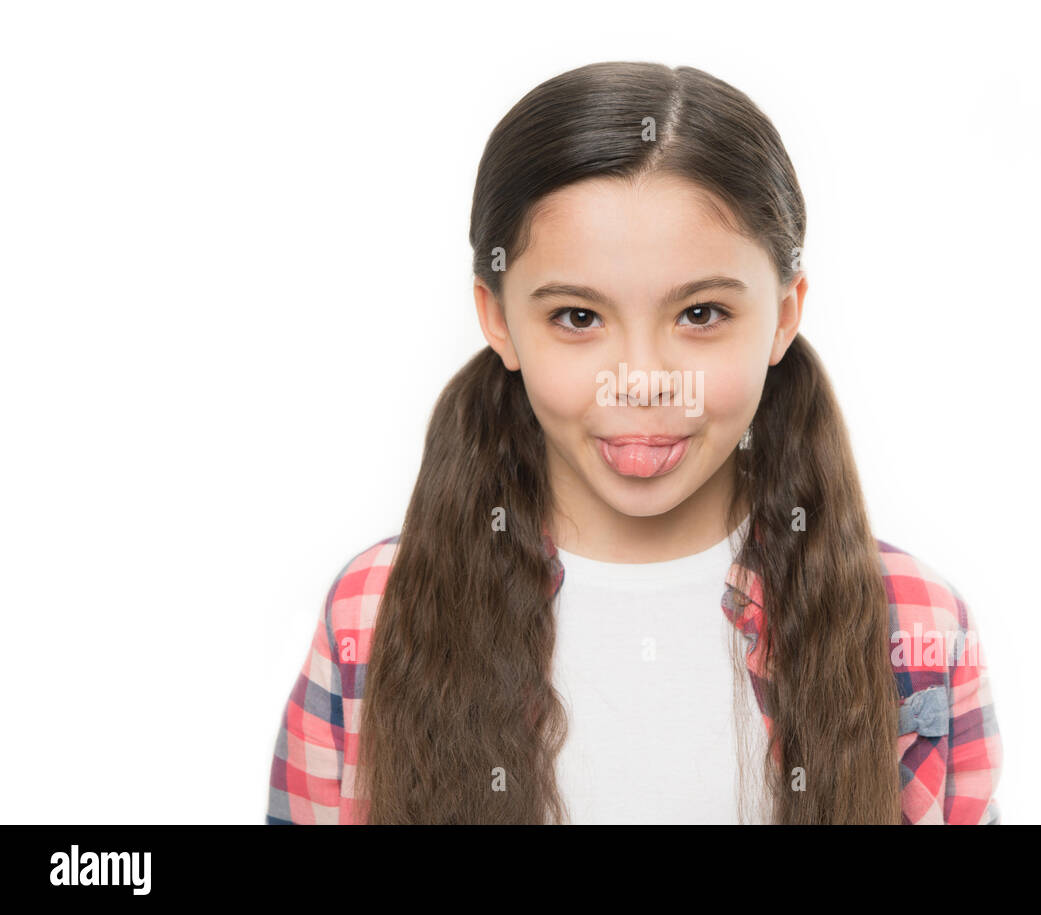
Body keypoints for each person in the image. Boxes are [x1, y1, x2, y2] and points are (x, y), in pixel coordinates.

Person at [266, 61, 1003, 824]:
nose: (642, 381)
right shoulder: (374, 614)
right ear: (497, 318)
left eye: (702, 313)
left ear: (785, 314)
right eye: (579, 318)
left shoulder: (915, 629)